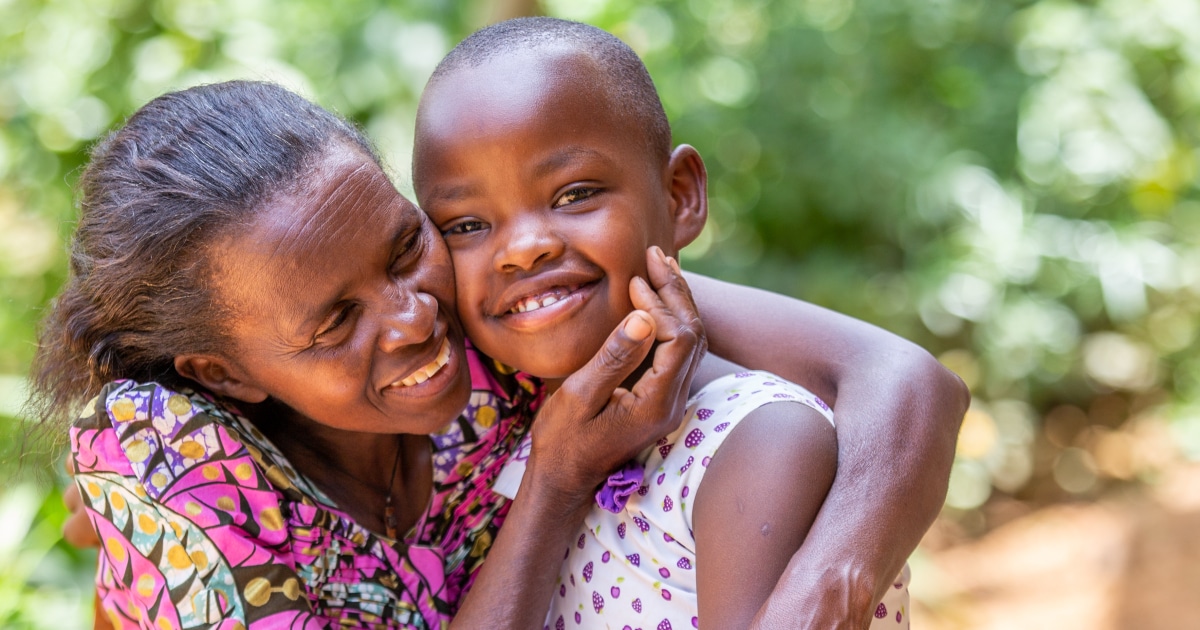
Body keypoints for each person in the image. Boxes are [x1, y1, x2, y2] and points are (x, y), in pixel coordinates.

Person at [50, 75, 968, 629]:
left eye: (405, 247)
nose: (413, 319)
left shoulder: (489, 292)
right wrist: (558, 478)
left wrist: (826, 586)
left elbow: (903, 379)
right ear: (224, 373)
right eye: (336, 323)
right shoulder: (177, 471)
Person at [412, 18, 911, 628]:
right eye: (466, 225)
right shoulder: (509, 440)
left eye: (574, 194)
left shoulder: (757, 441)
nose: (522, 249)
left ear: (679, 197)